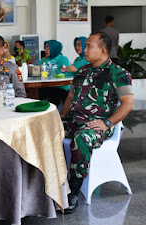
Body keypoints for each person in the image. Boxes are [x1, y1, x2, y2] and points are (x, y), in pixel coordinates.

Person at [60, 32, 133, 213]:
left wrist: (108, 123)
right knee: (44, 131)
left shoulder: (119, 74)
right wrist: (60, 118)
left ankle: (73, 190)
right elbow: (70, 96)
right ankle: (49, 182)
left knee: (82, 138)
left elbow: (127, 104)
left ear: (102, 50)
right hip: (74, 119)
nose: (84, 50)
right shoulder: (82, 71)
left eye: (88, 46)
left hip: (97, 124)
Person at [38, 40, 70, 106]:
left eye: (48, 48)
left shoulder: (63, 59)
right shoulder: (44, 59)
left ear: (54, 48)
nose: (45, 50)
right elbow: (37, 68)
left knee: (55, 96)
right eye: (45, 48)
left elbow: (66, 73)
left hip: (60, 87)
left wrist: (58, 72)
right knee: (35, 93)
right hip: (47, 86)